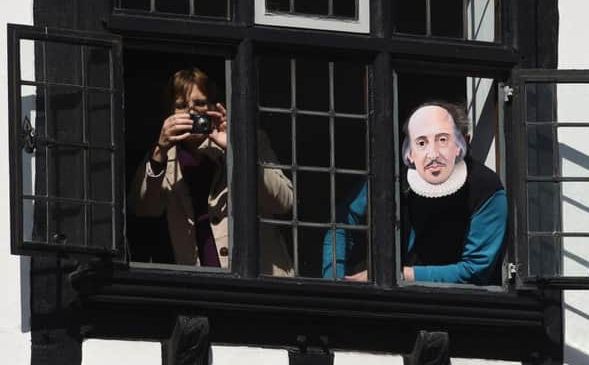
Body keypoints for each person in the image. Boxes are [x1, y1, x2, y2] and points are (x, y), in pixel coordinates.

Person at [130, 67, 294, 276]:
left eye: (199, 103)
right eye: (181, 106)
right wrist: (160, 151)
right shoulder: (163, 154)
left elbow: (283, 202)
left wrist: (238, 148)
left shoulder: (249, 140)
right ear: (170, 113)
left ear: (213, 106)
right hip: (202, 283)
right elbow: (145, 208)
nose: (191, 112)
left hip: (257, 278)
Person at [322, 101, 507, 285]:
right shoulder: (393, 175)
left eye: (443, 140)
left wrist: (401, 275)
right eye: (421, 142)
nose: (432, 154)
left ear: (464, 143)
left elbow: (475, 270)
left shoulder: (486, 189)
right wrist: (334, 277)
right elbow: (344, 220)